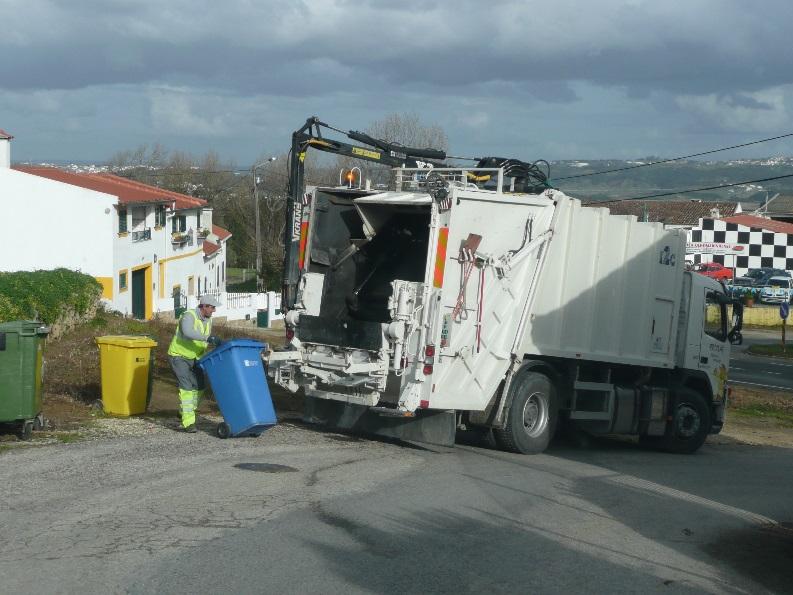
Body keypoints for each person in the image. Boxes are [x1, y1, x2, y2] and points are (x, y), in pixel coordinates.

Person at [167, 294, 223, 432]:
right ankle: (188, 423)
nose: (214, 310)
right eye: (212, 307)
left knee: (199, 387)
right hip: (179, 356)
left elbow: (202, 342)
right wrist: (207, 338)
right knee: (186, 386)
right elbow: (187, 332)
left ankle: (184, 412)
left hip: (196, 358)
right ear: (203, 306)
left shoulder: (209, 320)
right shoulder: (188, 316)